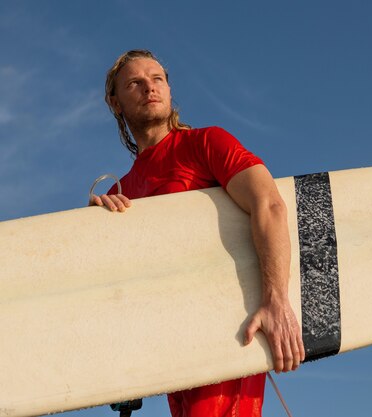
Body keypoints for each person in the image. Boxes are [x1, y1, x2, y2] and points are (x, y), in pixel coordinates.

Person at [90, 49, 305, 417]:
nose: (150, 88)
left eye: (157, 79)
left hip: (228, 323)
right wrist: (94, 231)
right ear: (115, 103)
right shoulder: (118, 194)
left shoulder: (205, 144)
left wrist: (276, 301)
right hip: (175, 344)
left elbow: (268, 204)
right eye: (135, 83)